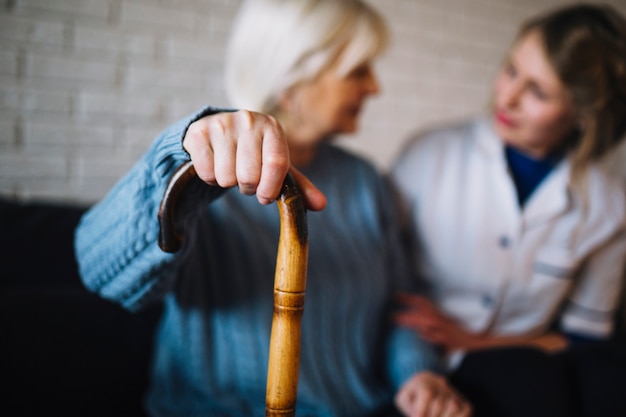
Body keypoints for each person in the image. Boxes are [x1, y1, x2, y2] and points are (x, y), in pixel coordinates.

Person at [74, 0, 472, 416]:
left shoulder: (365, 181)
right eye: (358, 71)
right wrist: (181, 163)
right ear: (294, 79)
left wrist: (418, 373)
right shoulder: (207, 173)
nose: (374, 87)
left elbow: (400, 305)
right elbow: (101, 273)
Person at [390, 3, 626, 417]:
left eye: (537, 91)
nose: (507, 96)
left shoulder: (609, 207)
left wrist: (470, 341)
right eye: (511, 70)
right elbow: (375, 271)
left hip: (526, 370)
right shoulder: (428, 154)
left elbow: (584, 337)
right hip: (421, 361)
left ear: (583, 115)